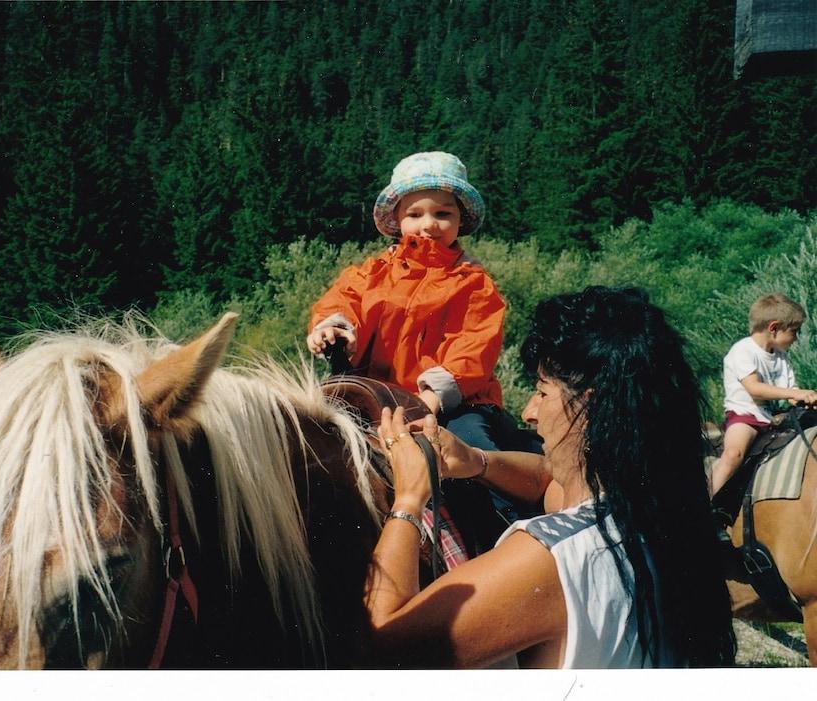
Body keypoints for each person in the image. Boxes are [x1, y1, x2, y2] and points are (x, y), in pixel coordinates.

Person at [365, 286, 735, 668]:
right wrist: (476, 461)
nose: (529, 412)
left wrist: (409, 499)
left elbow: (382, 650)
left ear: (590, 409)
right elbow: (548, 481)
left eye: (542, 392)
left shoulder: (546, 558)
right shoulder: (654, 508)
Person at [306, 151, 529, 455]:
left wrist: (429, 401)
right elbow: (344, 300)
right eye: (414, 215)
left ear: (460, 218)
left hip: (456, 403)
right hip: (376, 396)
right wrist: (332, 328)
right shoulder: (372, 272)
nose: (429, 226)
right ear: (397, 219)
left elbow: (473, 349)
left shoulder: (473, 282)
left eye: (442, 214)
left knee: (473, 450)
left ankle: (507, 503)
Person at [710, 293, 817, 498]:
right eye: (795, 331)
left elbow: (791, 394)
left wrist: (807, 398)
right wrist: (797, 393)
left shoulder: (781, 357)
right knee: (734, 455)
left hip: (771, 418)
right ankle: (706, 508)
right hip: (745, 416)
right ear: (774, 328)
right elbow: (754, 388)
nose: (796, 338)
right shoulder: (743, 351)